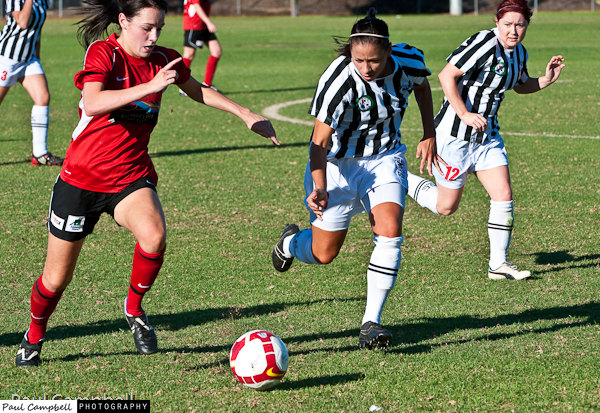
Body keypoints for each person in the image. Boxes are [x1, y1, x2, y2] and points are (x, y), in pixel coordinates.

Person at [15, 0, 278, 367]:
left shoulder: (164, 59)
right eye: (146, 28)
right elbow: (92, 102)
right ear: (123, 21)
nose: (154, 37)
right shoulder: (104, 53)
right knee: (56, 280)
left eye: (159, 29)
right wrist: (150, 86)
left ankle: (134, 309)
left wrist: (245, 114)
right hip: (81, 180)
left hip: (129, 175)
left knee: (154, 236)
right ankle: (34, 334)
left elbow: (196, 88)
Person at [271, 8, 442, 350]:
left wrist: (429, 132)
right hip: (336, 166)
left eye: (373, 61)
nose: (365, 68)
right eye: (358, 60)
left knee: (390, 230)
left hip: (384, 158)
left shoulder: (409, 61)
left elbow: (422, 87)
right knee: (323, 254)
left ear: (389, 52)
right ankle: (290, 243)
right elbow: (318, 143)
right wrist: (319, 187)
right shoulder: (338, 81)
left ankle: (371, 322)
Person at [406, 0, 565, 281]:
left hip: (487, 138)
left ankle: (498, 264)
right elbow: (446, 76)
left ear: (527, 25)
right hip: (453, 137)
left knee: (503, 195)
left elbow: (520, 84)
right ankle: (399, 177)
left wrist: (546, 80)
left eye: (520, 25)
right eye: (508, 24)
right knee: (446, 207)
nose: (513, 31)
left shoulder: (519, 53)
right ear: (496, 22)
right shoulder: (483, 42)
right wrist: (464, 113)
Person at [0, 0, 63, 166]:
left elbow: (37, 30)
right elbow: (22, 22)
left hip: (28, 59)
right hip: (7, 58)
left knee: (42, 98)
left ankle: (40, 153)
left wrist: (37, 56)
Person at [181, 0, 222, 91]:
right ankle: (183, 86)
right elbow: (196, 6)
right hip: (194, 25)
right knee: (189, 55)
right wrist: (209, 22)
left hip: (203, 26)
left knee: (217, 51)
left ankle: (207, 84)